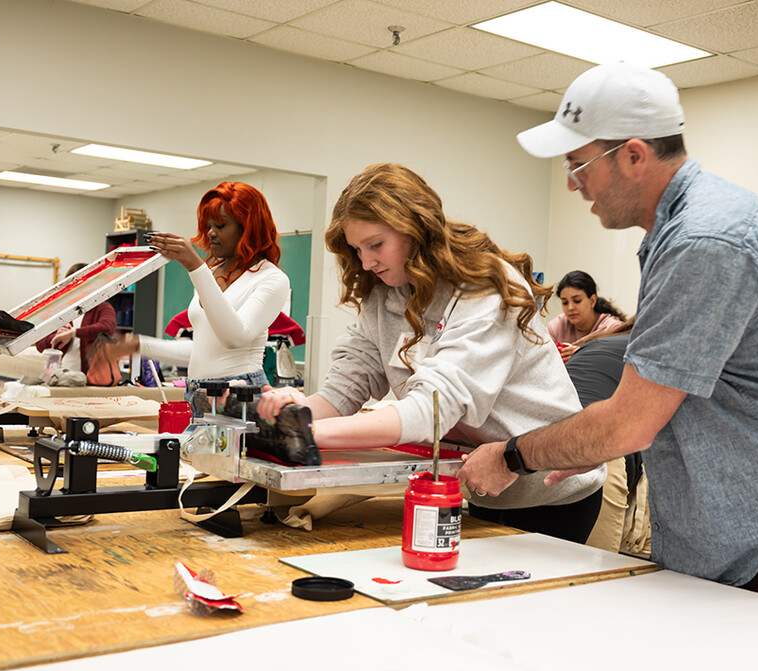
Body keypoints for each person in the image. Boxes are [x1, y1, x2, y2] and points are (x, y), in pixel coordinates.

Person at [457, 62, 758, 635]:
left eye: (579, 164)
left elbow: (631, 423)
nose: (573, 183)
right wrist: (585, 441)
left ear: (633, 155)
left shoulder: (707, 238)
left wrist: (512, 455)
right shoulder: (678, 232)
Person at [257, 162, 605, 543]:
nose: (366, 262)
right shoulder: (383, 294)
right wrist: (293, 414)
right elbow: (344, 389)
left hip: (550, 489)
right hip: (481, 480)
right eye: (357, 249)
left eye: (376, 244)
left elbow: (430, 412)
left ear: (417, 229)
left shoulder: (486, 288)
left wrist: (307, 433)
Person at [101, 182, 290, 415]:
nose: (211, 233)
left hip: (238, 392)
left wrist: (195, 267)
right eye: (208, 225)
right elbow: (203, 350)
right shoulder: (210, 274)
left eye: (220, 225)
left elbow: (235, 337)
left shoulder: (271, 279)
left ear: (248, 228)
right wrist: (140, 345)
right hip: (197, 392)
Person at [564, 319, 649, 556]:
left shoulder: (599, 341)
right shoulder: (653, 351)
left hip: (543, 442)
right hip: (598, 458)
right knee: (593, 579)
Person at [34, 262, 116, 378]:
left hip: (90, 380)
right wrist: (57, 336)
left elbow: (106, 328)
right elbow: (40, 345)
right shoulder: (59, 311)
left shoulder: (102, 308)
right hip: (58, 379)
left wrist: (72, 333)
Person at [547, 270, 625, 361]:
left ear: (592, 301)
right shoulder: (557, 326)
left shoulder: (612, 328)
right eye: (565, 303)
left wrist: (583, 354)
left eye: (577, 301)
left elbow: (617, 363)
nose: (570, 308)